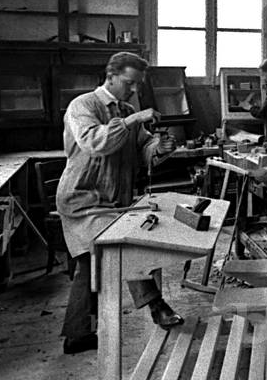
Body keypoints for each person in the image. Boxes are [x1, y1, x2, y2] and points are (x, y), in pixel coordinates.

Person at [57, 52, 179, 355]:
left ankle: (77, 335)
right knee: (122, 248)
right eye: (129, 83)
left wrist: (159, 147)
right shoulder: (82, 105)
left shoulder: (126, 109)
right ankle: (155, 304)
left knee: (89, 265)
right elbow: (96, 142)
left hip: (114, 202)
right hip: (82, 201)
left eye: (138, 85)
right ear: (110, 76)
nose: (134, 90)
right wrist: (133, 118)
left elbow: (142, 149)